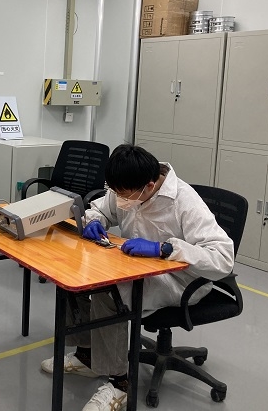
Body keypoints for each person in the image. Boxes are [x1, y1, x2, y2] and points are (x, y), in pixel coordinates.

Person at [40, 144, 234, 411]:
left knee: (109, 292)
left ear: (150, 186)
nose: (119, 199)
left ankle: (120, 384)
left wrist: (165, 249)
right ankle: (87, 356)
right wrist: (95, 220)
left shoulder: (184, 202)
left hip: (179, 279)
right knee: (77, 275)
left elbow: (223, 258)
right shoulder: (129, 186)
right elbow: (102, 209)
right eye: (115, 191)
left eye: (123, 194)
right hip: (137, 267)